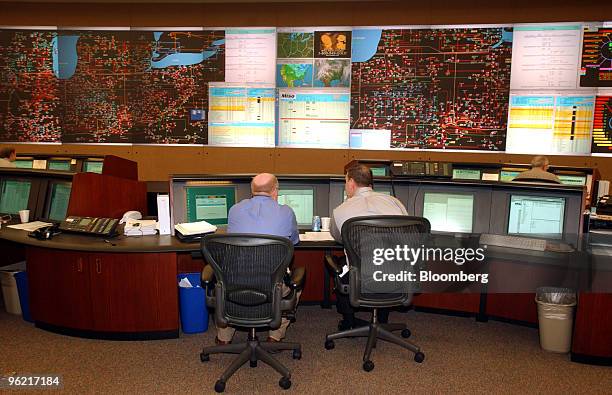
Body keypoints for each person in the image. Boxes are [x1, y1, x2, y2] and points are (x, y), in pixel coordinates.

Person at [215, 173, 300, 345]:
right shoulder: (286, 212)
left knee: (230, 283)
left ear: (251, 191)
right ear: (275, 191)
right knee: (295, 284)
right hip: (271, 286)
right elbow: (293, 243)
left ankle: (224, 338)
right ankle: (275, 336)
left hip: (235, 283)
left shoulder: (234, 210)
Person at [330, 164, 408, 329]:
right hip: (396, 275)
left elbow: (338, 238)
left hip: (362, 278)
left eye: (345, 182)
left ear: (351, 183)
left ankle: (349, 321)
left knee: (342, 264)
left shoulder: (340, 210)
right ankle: (382, 321)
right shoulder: (395, 203)